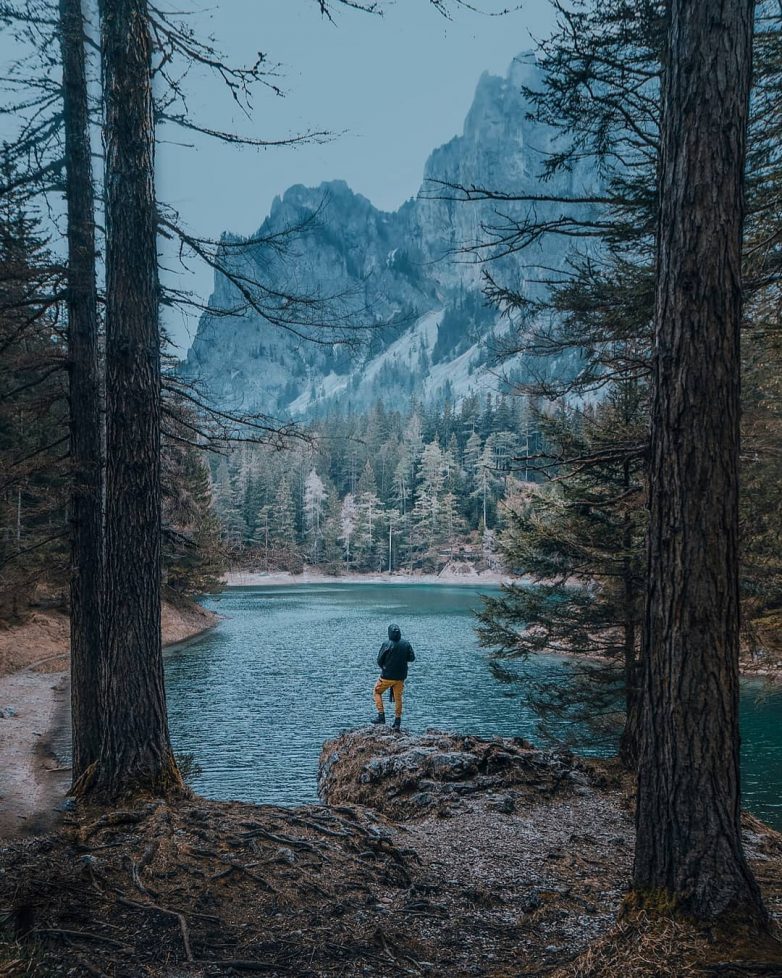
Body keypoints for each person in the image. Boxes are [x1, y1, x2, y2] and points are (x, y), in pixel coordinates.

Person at [372, 623, 415, 731]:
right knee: (398, 698)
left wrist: (385, 668)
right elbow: (412, 658)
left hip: (387, 677)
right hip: (400, 677)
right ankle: (397, 722)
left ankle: (381, 716)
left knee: (377, 692)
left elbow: (379, 660)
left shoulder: (386, 644)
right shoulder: (406, 644)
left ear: (389, 633)